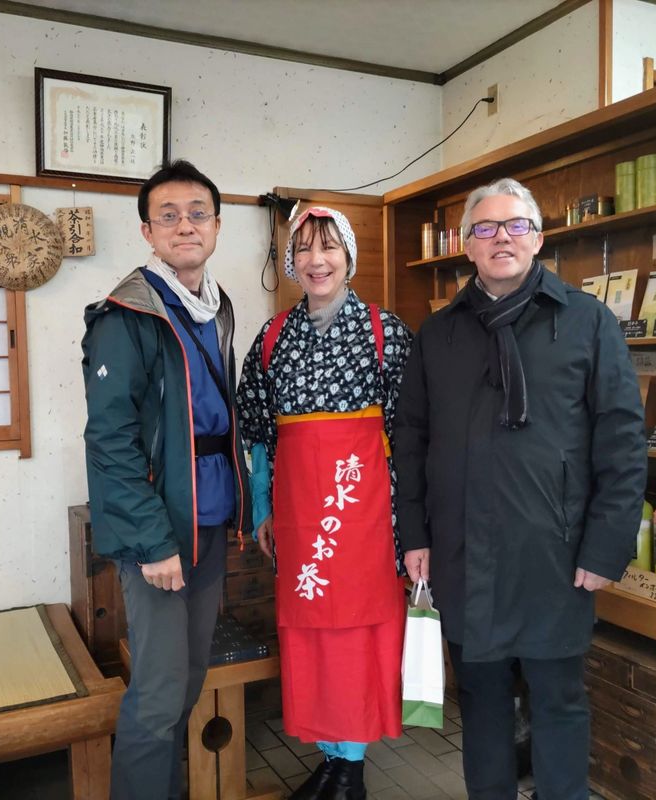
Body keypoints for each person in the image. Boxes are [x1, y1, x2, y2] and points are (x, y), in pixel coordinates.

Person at [393, 178, 647, 800]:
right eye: (485, 228)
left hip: (554, 553)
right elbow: (411, 441)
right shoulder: (439, 333)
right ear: (468, 247)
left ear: (537, 238)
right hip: (462, 551)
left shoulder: (586, 322)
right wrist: (415, 534)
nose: (500, 237)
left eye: (514, 226)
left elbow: (622, 439)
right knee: (480, 703)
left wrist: (604, 546)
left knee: (558, 699)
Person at [82, 159, 251, 800]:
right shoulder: (127, 314)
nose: (186, 226)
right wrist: (153, 542)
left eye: (198, 214)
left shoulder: (216, 307)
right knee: (156, 694)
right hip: (162, 529)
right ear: (148, 231)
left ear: (216, 225)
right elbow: (110, 440)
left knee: (186, 682)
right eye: (169, 216)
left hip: (209, 521)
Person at [237, 207, 412, 800]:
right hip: (298, 504)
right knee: (312, 628)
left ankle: (353, 766)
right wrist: (262, 507)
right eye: (305, 249)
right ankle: (333, 759)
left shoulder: (386, 332)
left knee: (360, 629)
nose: (317, 260)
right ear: (291, 262)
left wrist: (411, 526)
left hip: (365, 509)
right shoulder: (270, 339)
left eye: (329, 248)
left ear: (349, 257)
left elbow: (412, 437)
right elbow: (258, 432)